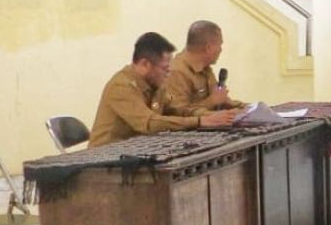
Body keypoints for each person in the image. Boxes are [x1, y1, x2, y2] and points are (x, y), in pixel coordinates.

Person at [89, 32, 243, 147]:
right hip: (103, 163)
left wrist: (220, 117)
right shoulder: (121, 86)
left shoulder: (156, 85)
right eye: (164, 68)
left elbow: (178, 109)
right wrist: (200, 121)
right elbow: (150, 123)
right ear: (144, 65)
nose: (169, 72)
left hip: (133, 153)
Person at [158, 21, 244, 117]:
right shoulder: (176, 72)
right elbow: (178, 114)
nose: (220, 50)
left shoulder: (205, 68)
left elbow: (222, 101)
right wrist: (212, 102)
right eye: (220, 45)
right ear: (208, 48)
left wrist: (247, 109)